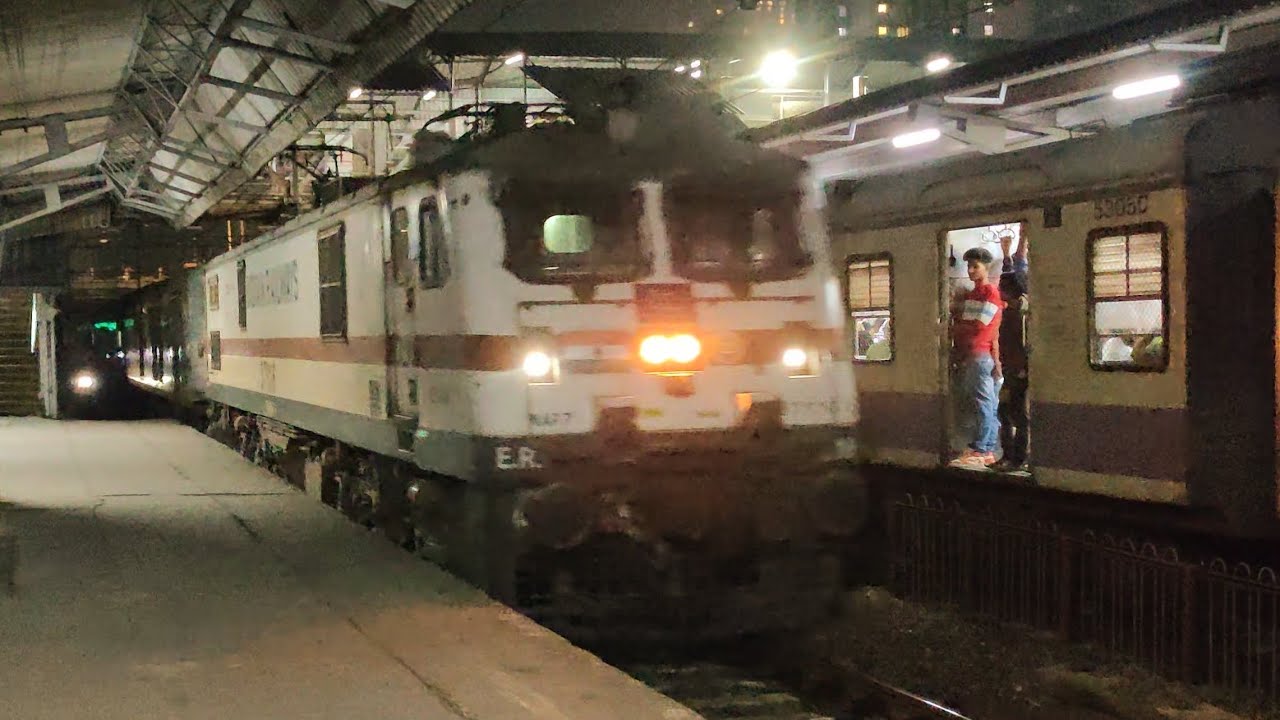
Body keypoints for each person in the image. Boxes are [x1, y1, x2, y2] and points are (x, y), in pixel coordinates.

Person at [950, 247, 1004, 468]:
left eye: (975, 266)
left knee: (984, 403)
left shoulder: (990, 292)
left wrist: (951, 329)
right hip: (978, 354)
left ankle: (982, 449)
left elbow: (980, 325)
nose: (971, 270)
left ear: (986, 267)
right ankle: (985, 447)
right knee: (987, 404)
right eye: (969, 266)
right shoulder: (975, 293)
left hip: (979, 354)